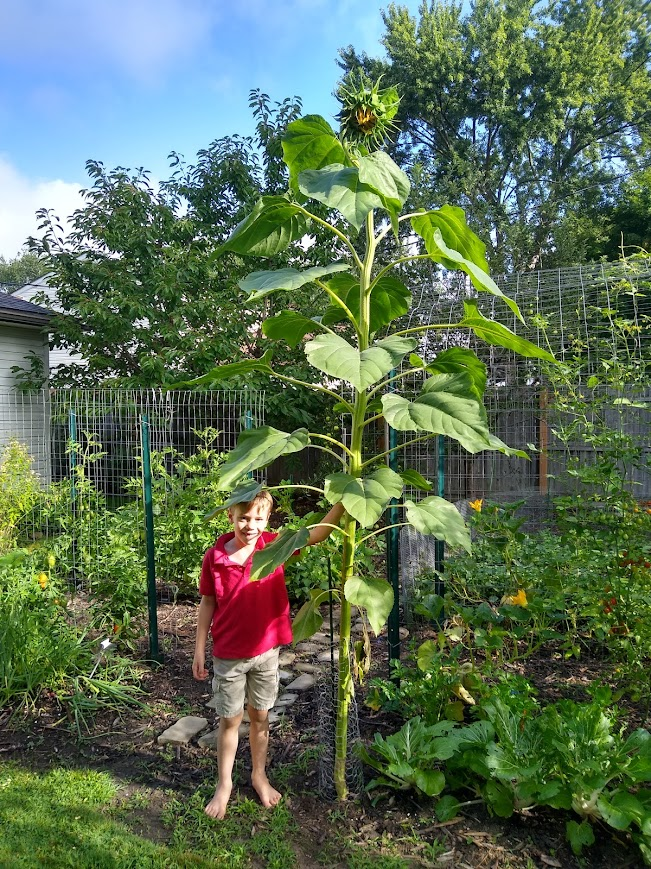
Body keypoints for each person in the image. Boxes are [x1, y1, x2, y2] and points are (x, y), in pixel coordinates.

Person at [192, 489, 344, 819]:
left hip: (265, 653)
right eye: (244, 517)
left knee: (260, 717)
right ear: (230, 515)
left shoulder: (274, 545)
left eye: (258, 518)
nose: (250, 525)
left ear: (267, 519)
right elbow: (207, 602)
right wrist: (199, 647)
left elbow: (318, 533)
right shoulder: (214, 557)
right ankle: (224, 784)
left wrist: (345, 501)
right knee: (229, 720)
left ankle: (259, 775)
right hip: (229, 655)